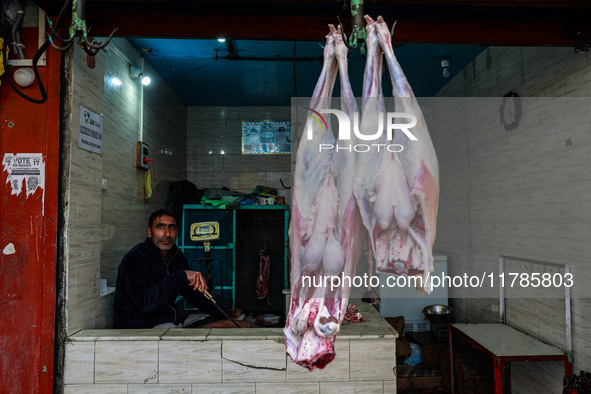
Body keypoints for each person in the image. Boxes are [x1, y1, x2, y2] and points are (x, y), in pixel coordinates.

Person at [113, 208, 226, 328]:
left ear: (177, 231)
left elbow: (194, 295)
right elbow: (146, 303)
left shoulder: (176, 256)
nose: (167, 234)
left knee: (219, 322)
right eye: (160, 227)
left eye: (171, 228)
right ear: (150, 232)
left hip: (168, 320)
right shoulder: (135, 259)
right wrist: (182, 275)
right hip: (138, 327)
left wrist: (225, 315)